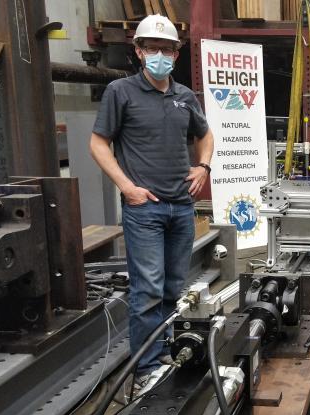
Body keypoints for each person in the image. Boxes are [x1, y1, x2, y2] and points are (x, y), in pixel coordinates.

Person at [90, 14, 214, 387]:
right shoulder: (121, 92)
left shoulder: (184, 96)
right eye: (153, 48)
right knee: (147, 290)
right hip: (144, 208)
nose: (161, 55)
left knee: (173, 288)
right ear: (139, 51)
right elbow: (98, 143)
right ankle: (145, 371)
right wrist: (127, 187)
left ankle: (164, 353)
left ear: (176, 55)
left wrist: (203, 166)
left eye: (168, 49)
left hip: (181, 206)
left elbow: (205, 136)